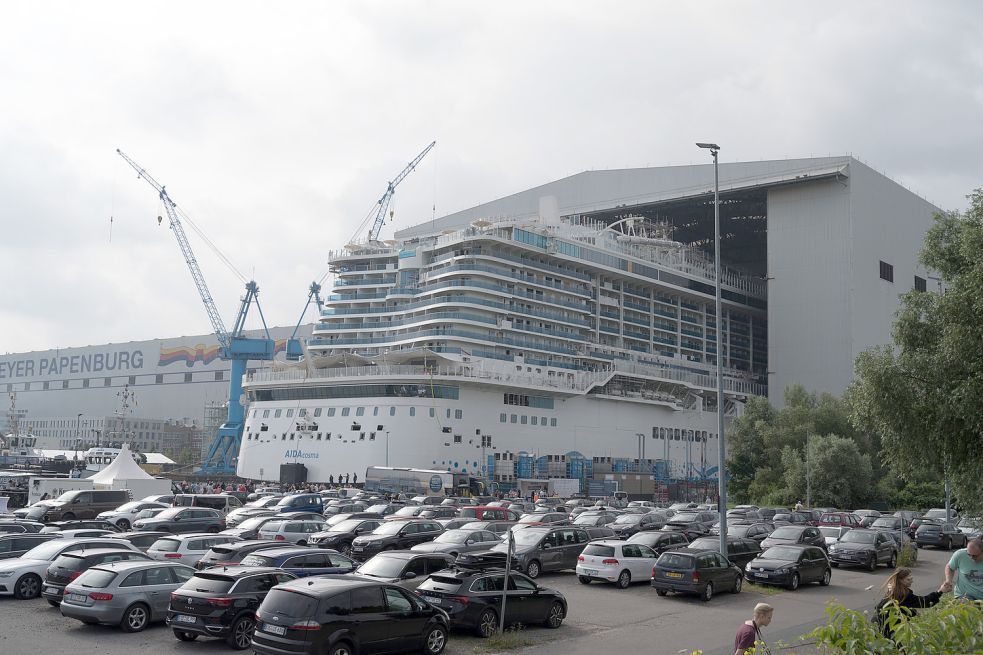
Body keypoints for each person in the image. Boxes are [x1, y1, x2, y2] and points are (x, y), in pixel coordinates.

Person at [875, 568, 943, 638]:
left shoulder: (893, 590)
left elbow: (900, 608)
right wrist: (940, 591)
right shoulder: (903, 594)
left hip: (879, 625)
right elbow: (924, 601)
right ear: (900, 580)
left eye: (911, 578)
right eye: (908, 579)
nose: (911, 581)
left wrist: (913, 612)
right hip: (885, 628)